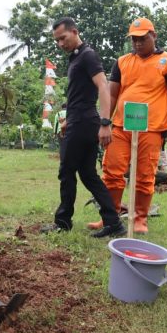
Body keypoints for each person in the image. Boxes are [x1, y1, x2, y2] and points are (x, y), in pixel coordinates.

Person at [87, 18, 167, 234]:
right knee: (111, 171)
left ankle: (139, 218)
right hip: (120, 126)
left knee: (145, 175)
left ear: (154, 36)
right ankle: (110, 218)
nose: (138, 44)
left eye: (143, 39)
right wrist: (104, 123)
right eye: (134, 40)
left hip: (152, 128)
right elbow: (111, 93)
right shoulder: (121, 62)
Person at [41, 17, 126, 238]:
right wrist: (69, 118)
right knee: (88, 174)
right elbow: (80, 94)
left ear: (74, 31)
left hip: (85, 122)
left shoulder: (88, 55)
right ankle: (113, 222)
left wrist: (106, 123)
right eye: (57, 41)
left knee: (66, 171)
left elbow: (103, 86)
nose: (60, 43)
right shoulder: (76, 58)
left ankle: (62, 222)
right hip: (80, 120)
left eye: (63, 38)